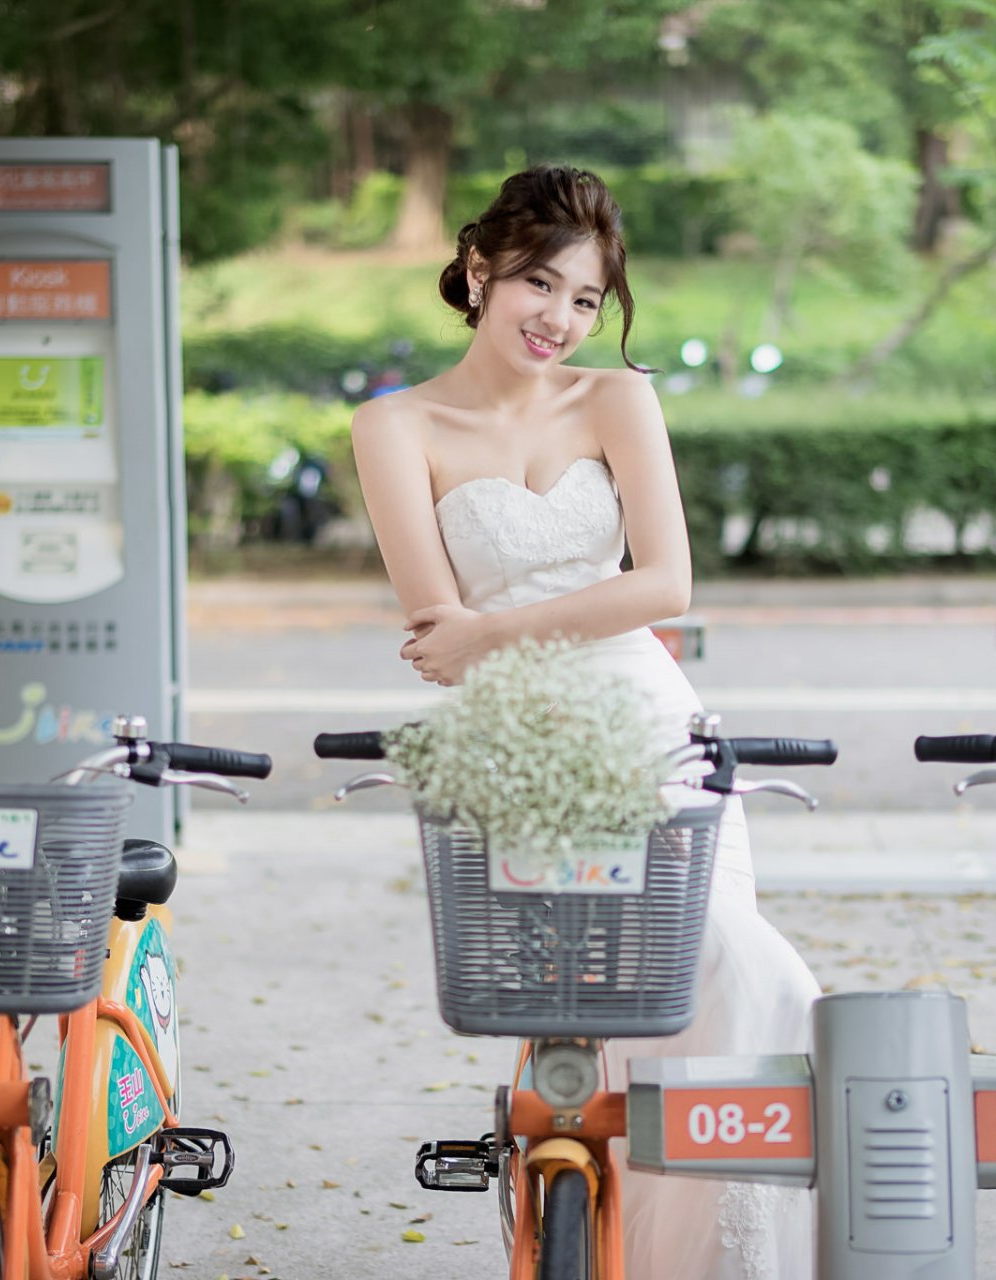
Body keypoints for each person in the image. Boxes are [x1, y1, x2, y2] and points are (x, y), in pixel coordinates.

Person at [349, 165, 821, 1280]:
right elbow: (435, 624)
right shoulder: (395, 424)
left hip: (651, 716)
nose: (559, 318)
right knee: (585, 1013)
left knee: (723, 964)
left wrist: (492, 632)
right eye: (538, 286)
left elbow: (665, 586)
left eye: (584, 299)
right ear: (478, 269)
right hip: (515, 738)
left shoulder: (618, 399)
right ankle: (578, 1228)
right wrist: (479, 643)